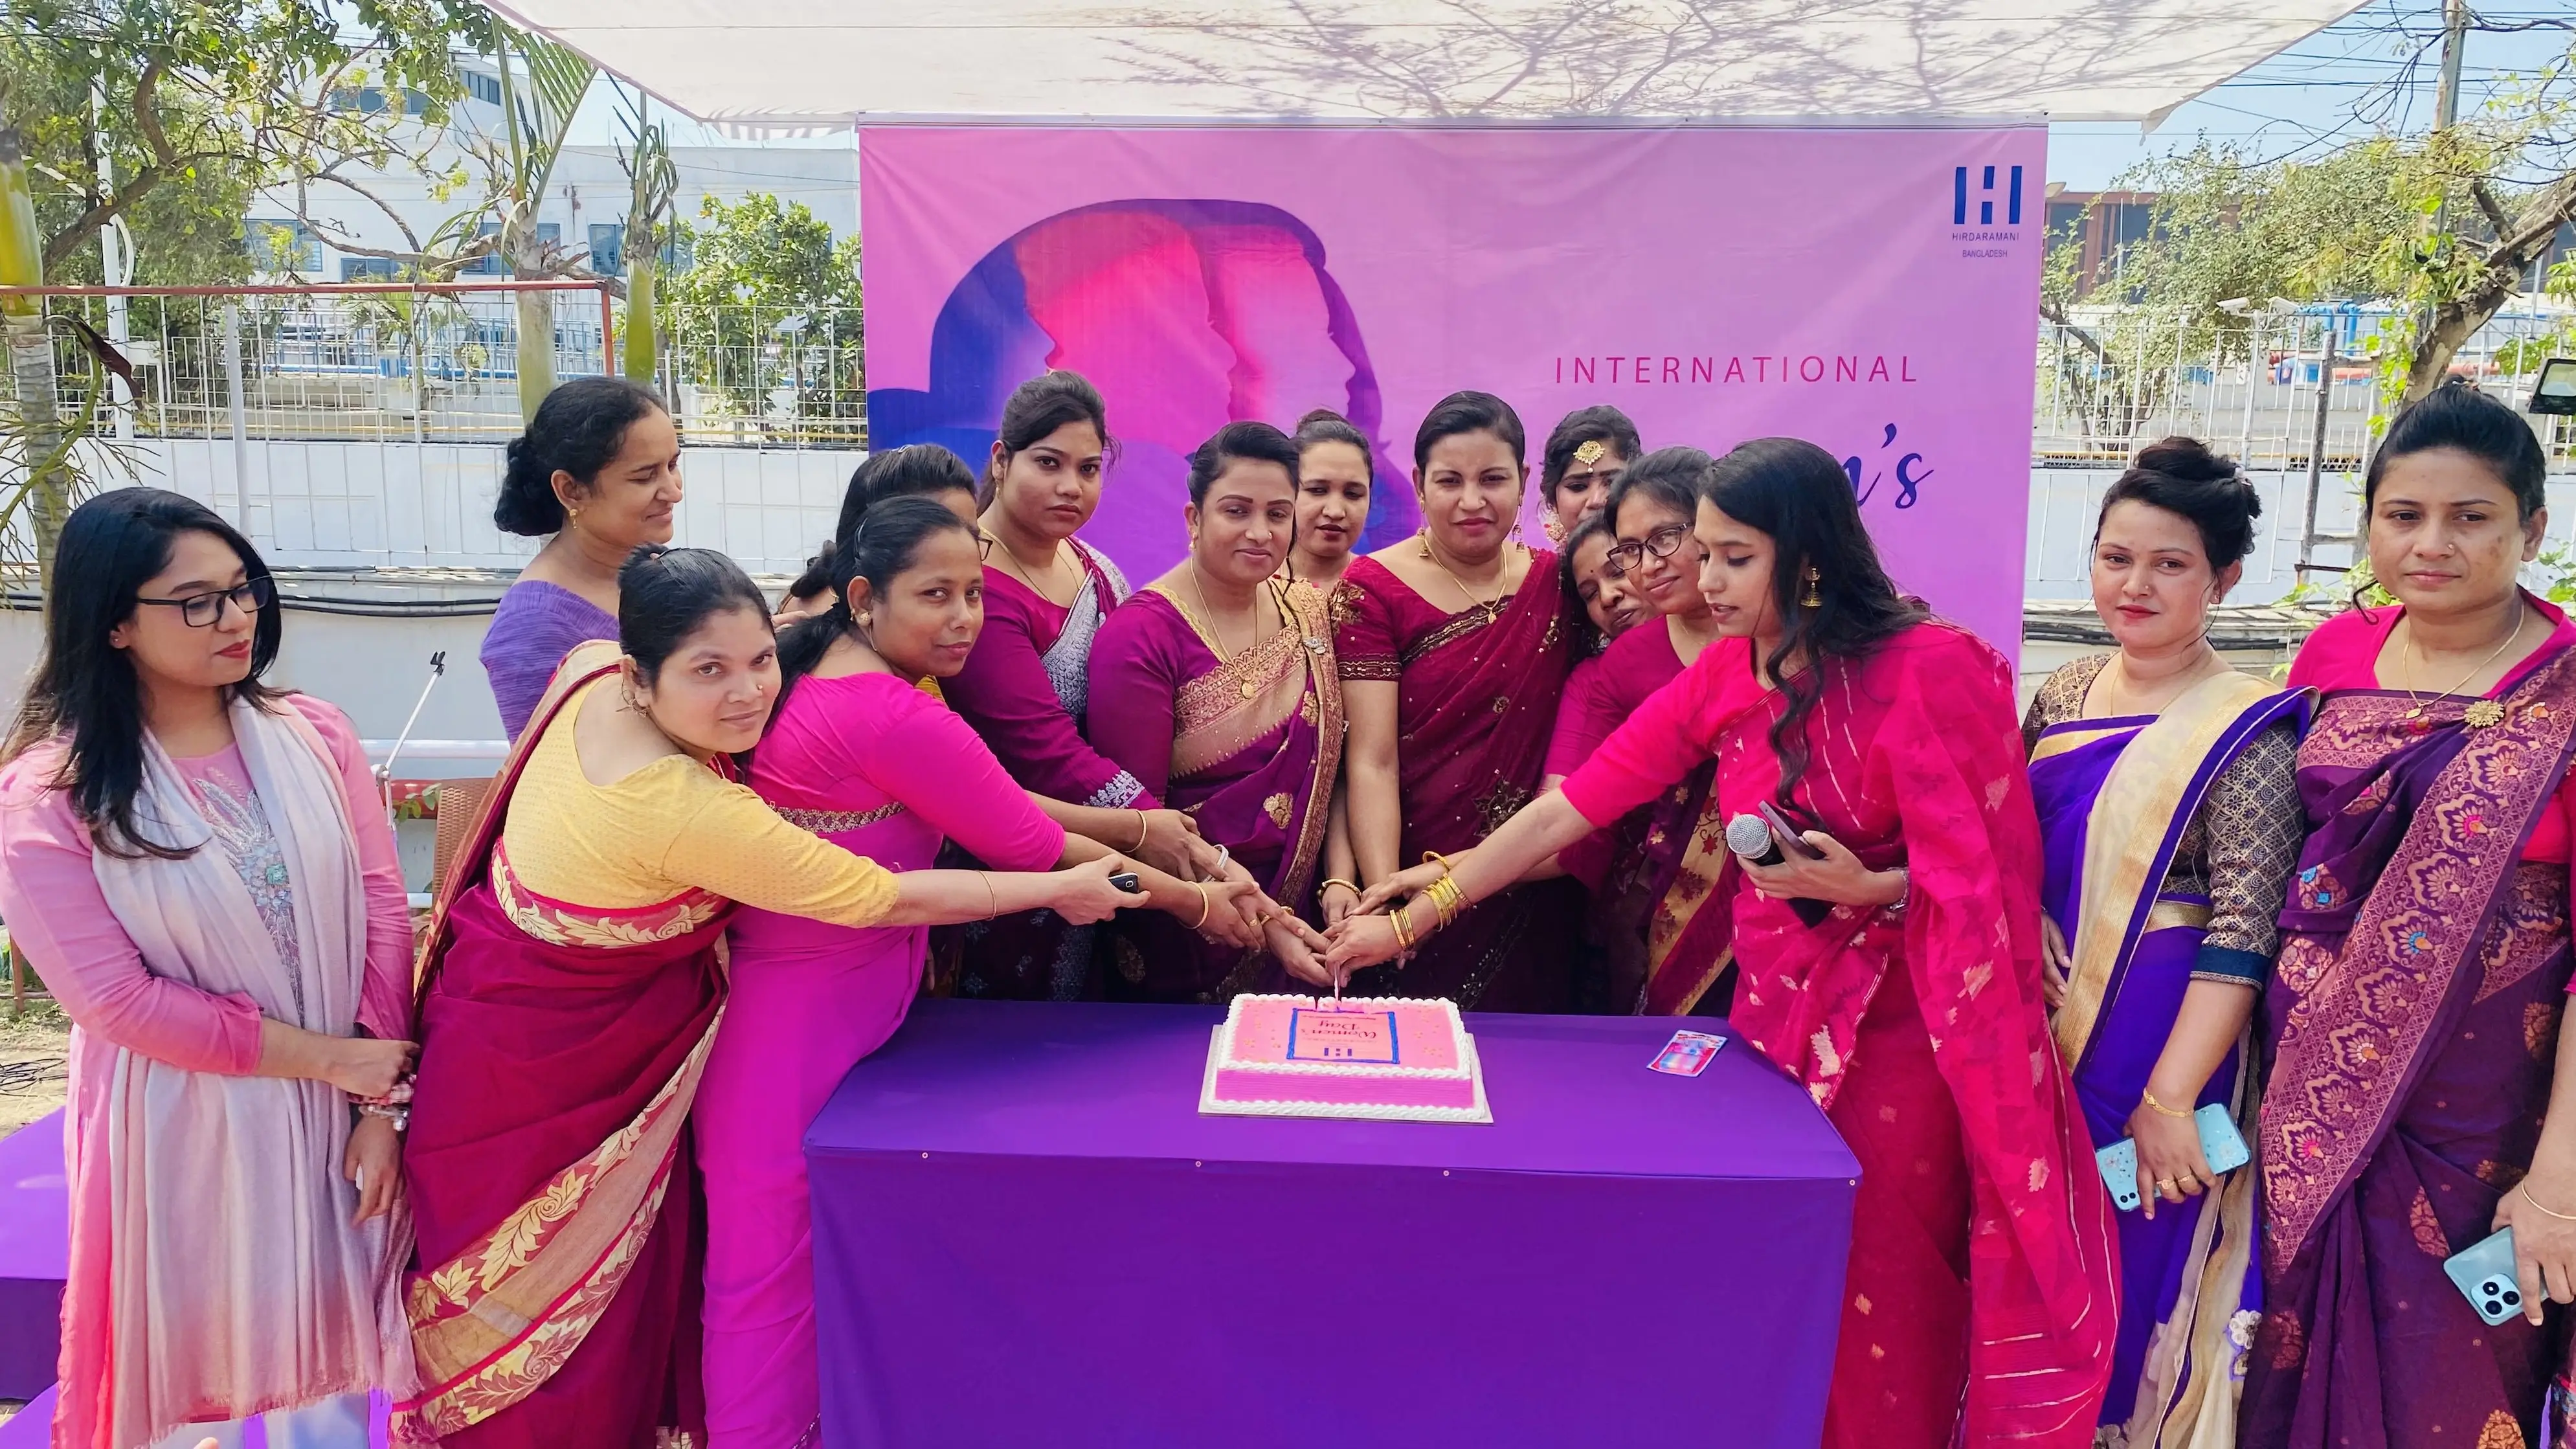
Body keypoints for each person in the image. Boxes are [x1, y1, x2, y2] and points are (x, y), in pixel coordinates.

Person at [1331, 436, 2119, 1448]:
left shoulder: (1933, 667)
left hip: (1902, 1035)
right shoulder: (1726, 679)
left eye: (1731, 556)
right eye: (1699, 553)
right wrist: (1428, 900)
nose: (1704, 581)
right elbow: (1569, 808)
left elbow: (1995, 874)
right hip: (1774, 1027)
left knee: (1886, 1277)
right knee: (1784, 1258)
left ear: (1808, 556)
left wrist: (1870, 886)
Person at [398, 546, 1138, 1448]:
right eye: (710, 670)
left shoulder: (586, 671)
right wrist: (1055, 889)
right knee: (546, 1338)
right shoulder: (684, 804)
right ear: (640, 676)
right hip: (547, 1085)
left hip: (508, 1022)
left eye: (759, 660)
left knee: (620, 1300)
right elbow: (884, 895)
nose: (749, 691)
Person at [701, 499, 1253, 1446]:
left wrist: (1171, 850)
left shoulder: (814, 669)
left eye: (973, 593)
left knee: (786, 1274)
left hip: (812, 1011)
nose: (963, 618)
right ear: (864, 596)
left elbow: (1001, 812)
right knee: (766, 1284)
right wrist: (1196, 901)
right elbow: (1038, 846)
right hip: (801, 1032)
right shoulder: (890, 713)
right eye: (936, 596)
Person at [0, 489, 418, 1449]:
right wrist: (331, 1062)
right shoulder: (51, 797)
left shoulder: (315, 736)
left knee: (332, 1376)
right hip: (181, 1118)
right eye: (195, 602)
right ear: (112, 622)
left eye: (241, 592)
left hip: (339, 1108)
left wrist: (375, 1101)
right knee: (188, 1354)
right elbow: (115, 1000)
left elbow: (381, 910)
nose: (236, 619)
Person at [2241, 383, 2576, 1448]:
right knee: (2283, 1346)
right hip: (2304, 1083)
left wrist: (2558, 1181)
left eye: (2468, 517)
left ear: (2529, 527)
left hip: (2488, 1121)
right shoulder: (2328, 658)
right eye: (2401, 514)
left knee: (2458, 1368)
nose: (2429, 542)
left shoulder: (2565, 687)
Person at [2022, 438, 2307, 1446]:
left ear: (2222, 578)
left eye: (2169, 563)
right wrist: (2024, 917)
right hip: (2037, 1026)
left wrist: (2169, 1099)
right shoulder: (2060, 693)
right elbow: (2009, 844)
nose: (2132, 585)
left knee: (2136, 1246)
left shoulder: (2249, 729)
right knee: (2030, 1248)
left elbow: (2244, 928)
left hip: (2156, 1046)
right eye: (2113, 557)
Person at [945, 370, 1213, 998]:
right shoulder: (972, 586)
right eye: (1049, 463)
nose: (1071, 487)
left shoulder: (1095, 569)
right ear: (1001, 460)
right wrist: (1159, 830)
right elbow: (1044, 752)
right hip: (1011, 868)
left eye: (1089, 469)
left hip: (1108, 855)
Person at [1334, 390, 1584, 1011]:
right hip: (1407, 863)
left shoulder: (1562, 581)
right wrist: (1388, 893)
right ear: (1418, 484)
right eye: (1450, 480)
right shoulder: (1372, 588)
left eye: (1493, 479)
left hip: (1534, 879)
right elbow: (1371, 760)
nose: (1472, 501)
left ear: (1525, 481)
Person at [1088, 422, 1349, 1001]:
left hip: (1306, 908)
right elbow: (1142, 830)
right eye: (1237, 511)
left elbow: (1329, 773)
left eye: (1278, 514)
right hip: (1189, 922)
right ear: (1193, 519)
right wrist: (1266, 924)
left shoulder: (1306, 612)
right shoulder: (1140, 636)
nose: (1260, 533)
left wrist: (1339, 880)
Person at [1542, 448, 1732, 1014]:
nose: (1635, 575)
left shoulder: (1782, 646)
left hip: (1807, 912)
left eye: (1663, 541)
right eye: (1632, 552)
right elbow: (1564, 811)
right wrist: (1441, 886)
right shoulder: (1621, 669)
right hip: (1661, 911)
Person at [481, 376, 682, 739]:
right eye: (644, 477)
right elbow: (554, 777)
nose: (673, 492)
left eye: (673, 465)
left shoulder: (658, 568)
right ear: (571, 490)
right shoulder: (533, 627)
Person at [1285, 408, 1376, 590]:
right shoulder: (1251, 586)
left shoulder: (1385, 589)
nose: (1335, 512)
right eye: (1318, 490)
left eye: (1353, 494)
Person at [1537, 403, 1640, 543]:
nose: (1596, 501)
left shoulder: (1668, 562)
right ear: (1553, 500)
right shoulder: (1541, 565)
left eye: (1613, 483)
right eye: (1578, 487)